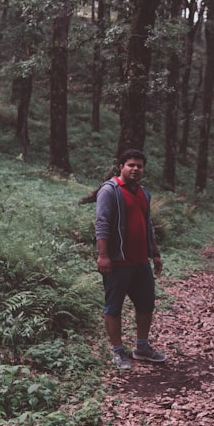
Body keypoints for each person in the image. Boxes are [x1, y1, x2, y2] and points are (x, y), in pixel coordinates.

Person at [95, 148, 166, 369]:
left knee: (146, 304)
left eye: (139, 166)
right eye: (131, 165)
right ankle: (118, 352)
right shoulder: (110, 191)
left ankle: (142, 348)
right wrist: (103, 256)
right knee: (113, 307)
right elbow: (102, 223)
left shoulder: (143, 192)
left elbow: (148, 226)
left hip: (140, 261)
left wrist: (154, 253)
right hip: (117, 262)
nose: (135, 169)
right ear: (121, 167)